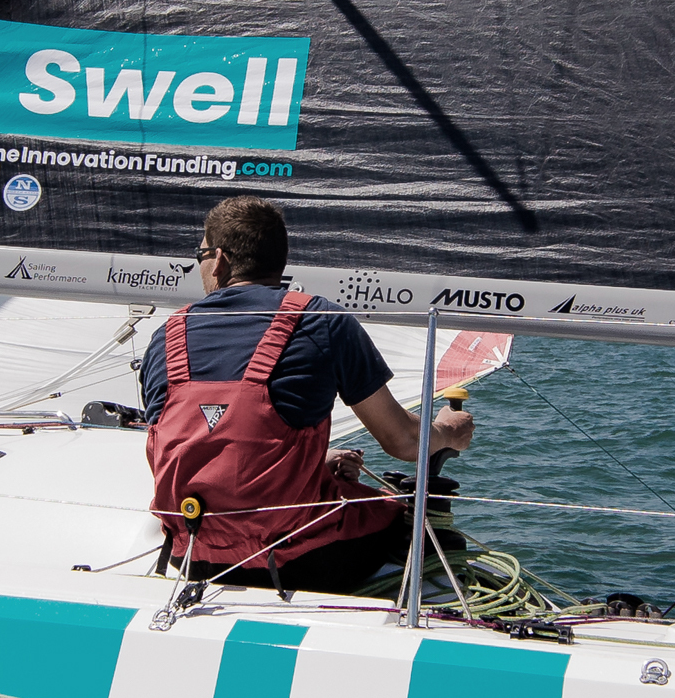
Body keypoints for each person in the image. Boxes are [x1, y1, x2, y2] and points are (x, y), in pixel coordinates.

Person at [135, 196, 473, 591]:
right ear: (278, 261)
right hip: (301, 562)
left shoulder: (165, 338)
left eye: (200, 253)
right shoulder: (323, 322)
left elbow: (194, 442)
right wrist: (448, 431)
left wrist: (313, 461)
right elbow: (403, 441)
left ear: (221, 259)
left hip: (192, 557)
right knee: (409, 521)